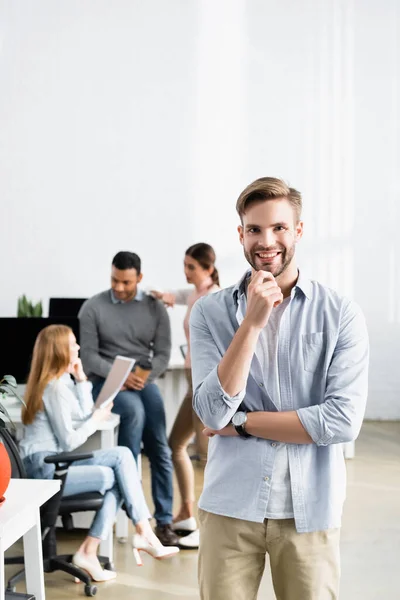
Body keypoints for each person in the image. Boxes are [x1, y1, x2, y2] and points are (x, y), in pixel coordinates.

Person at [190, 177, 369, 600]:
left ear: (299, 231)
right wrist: (252, 323)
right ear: (241, 234)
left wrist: (244, 423)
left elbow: (342, 421)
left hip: (310, 510)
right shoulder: (210, 313)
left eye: (279, 228)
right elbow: (213, 414)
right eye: (254, 229)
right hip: (229, 505)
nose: (266, 241)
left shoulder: (340, 313)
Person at [19, 325, 179, 583]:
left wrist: (81, 379)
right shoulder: (54, 388)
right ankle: (126, 538)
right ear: (60, 350)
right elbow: (69, 440)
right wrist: (96, 418)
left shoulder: (60, 382)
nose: (78, 348)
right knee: (120, 467)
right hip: (45, 469)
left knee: (123, 462)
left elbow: (82, 413)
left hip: (50, 463)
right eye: (72, 344)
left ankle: (104, 545)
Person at [78, 251, 179, 547]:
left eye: (126, 282)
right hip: (105, 381)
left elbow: (161, 353)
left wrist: (145, 376)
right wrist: (120, 376)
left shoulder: (154, 308)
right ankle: (133, 508)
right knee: (134, 412)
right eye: (114, 280)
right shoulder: (92, 308)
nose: (119, 287)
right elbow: (90, 357)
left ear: (140, 278)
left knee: (160, 443)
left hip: (141, 379)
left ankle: (164, 521)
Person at [152, 243, 220, 549]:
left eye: (192, 266)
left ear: (208, 269)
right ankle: (187, 512)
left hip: (206, 381)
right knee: (175, 444)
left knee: (208, 456)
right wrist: (157, 295)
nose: (186, 270)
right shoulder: (195, 293)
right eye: (185, 264)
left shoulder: (214, 297)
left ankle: (210, 526)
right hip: (194, 381)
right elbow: (177, 295)